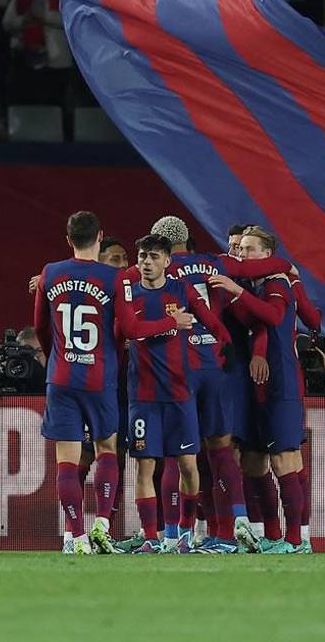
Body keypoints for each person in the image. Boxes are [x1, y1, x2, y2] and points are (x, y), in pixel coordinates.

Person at [33, 213, 194, 555]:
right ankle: (102, 525)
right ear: (100, 236)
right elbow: (133, 331)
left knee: (67, 460)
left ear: (68, 238)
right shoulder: (115, 277)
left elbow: (41, 328)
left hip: (61, 378)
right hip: (99, 378)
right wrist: (172, 321)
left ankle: (75, 538)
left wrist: (58, 357)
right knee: (108, 449)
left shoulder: (50, 273)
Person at [149, 215, 297, 552]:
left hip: (178, 367)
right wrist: (288, 270)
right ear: (188, 239)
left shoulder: (159, 270)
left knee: (178, 455)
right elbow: (253, 309)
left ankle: (174, 534)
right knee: (221, 451)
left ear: (159, 245)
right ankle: (232, 529)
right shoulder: (213, 264)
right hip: (218, 368)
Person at [208, 225, 310, 554]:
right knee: (254, 462)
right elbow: (251, 322)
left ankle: (296, 540)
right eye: (240, 248)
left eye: (251, 249)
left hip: (282, 382)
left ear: (267, 255)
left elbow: (273, 314)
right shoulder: (252, 284)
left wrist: (234, 290)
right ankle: (272, 533)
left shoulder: (277, 283)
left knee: (284, 459)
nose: (243, 254)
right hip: (256, 384)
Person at [126, 234, 230, 554]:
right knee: (145, 467)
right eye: (143, 255)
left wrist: (225, 345)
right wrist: (171, 322)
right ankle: (150, 536)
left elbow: (209, 319)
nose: (147, 262)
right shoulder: (128, 292)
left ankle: (184, 531)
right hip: (143, 394)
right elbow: (131, 331)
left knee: (187, 463)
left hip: (178, 390)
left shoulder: (180, 290)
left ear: (167, 261)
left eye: (154, 256)